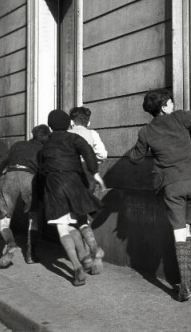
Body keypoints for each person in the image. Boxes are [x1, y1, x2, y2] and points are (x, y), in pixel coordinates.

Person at [128, 64, 191, 302]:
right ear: (164, 106)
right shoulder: (179, 119)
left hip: (172, 185)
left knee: (179, 233)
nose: (173, 104)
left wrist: (143, 144)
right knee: (189, 229)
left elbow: (135, 158)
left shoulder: (146, 131)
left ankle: (186, 286)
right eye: (170, 101)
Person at [39, 109, 106, 286]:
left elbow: (41, 168)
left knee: (63, 228)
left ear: (50, 126)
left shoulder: (46, 143)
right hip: (74, 181)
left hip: (54, 184)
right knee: (76, 221)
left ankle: (77, 268)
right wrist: (95, 173)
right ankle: (87, 254)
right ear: (68, 123)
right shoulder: (73, 138)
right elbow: (88, 151)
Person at [0, 124, 51, 268]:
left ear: (32, 134)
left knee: (4, 220)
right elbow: (44, 171)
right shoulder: (44, 149)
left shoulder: (17, 145)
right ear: (46, 137)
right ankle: (30, 254)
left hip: (9, 177)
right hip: (30, 178)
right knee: (33, 217)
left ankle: (10, 245)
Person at [68, 106, 108, 273]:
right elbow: (103, 154)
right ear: (89, 121)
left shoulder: (66, 134)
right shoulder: (93, 134)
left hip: (71, 178)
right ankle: (94, 256)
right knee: (82, 218)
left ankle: (87, 254)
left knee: (71, 220)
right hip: (89, 179)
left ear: (71, 121)